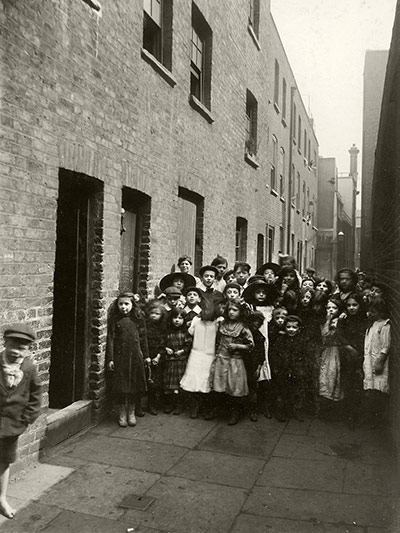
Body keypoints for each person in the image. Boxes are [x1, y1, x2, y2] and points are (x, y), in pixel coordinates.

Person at [0, 324, 42, 520]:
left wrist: (27, 418)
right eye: (13, 345)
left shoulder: (29, 367)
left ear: (29, 349)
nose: (17, 351)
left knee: (4, 462)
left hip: (12, 426)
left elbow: (36, 394)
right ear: (5, 342)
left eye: (23, 347)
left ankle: (1, 498)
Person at [106, 292, 149, 427]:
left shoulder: (138, 318)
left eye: (126, 304)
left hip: (135, 356)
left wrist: (146, 355)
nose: (123, 307)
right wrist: (111, 359)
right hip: (121, 357)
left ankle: (131, 412)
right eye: (121, 304)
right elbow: (111, 340)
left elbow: (143, 337)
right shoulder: (115, 320)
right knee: (121, 386)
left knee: (134, 385)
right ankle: (122, 413)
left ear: (132, 305)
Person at [209, 299, 254, 425]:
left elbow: (251, 346)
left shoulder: (243, 328)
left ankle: (235, 413)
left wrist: (237, 346)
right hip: (221, 359)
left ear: (240, 312)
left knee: (234, 388)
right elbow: (218, 341)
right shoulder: (222, 325)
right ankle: (217, 410)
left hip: (235, 361)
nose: (232, 312)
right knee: (219, 387)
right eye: (230, 309)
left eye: (235, 310)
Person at [180, 301, 220, 419]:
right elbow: (191, 332)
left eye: (209, 310)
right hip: (197, 353)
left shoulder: (217, 322)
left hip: (210, 354)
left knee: (207, 380)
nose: (206, 312)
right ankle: (195, 406)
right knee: (195, 380)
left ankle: (205, 407)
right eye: (203, 310)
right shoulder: (197, 320)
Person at [339, 293, 368, 427]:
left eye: (354, 305)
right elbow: (339, 335)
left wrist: (359, 352)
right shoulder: (344, 319)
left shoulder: (365, 319)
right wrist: (350, 348)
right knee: (348, 383)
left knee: (359, 384)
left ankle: (357, 414)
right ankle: (348, 414)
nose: (351, 308)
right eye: (349, 305)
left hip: (362, 355)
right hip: (348, 355)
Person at [363, 300, 391, 428]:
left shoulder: (385, 326)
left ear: (381, 312)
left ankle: (376, 420)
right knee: (371, 389)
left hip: (378, 362)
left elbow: (385, 347)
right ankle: (370, 419)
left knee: (378, 390)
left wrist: (379, 362)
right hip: (370, 360)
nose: (370, 314)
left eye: (373, 312)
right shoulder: (373, 324)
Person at [161, 307, 192, 415]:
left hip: (180, 361)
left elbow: (188, 345)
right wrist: (166, 349)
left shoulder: (185, 333)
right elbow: (162, 343)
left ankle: (180, 405)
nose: (177, 320)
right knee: (169, 385)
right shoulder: (167, 332)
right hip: (169, 362)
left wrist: (182, 351)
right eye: (175, 318)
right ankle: (169, 404)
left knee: (179, 385)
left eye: (180, 318)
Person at [318, 296, 345, 420]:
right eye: (328, 307)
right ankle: (325, 407)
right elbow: (323, 336)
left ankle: (333, 408)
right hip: (325, 351)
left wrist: (332, 320)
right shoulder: (324, 320)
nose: (331, 310)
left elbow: (330, 335)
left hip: (335, 351)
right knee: (324, 377)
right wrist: (327, 320)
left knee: (333, 375)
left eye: (334, 308)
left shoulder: (339, 321)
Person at [144, 300, 167, 415]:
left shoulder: (163, 328)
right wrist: (146, 356)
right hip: (146, 356)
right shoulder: (145, 327)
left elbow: (163, 344)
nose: (154, 316)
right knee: (145, 381)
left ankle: (152, 404)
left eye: (157, 314)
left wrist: (158, 357)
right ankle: (141, 405)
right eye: (152, 313)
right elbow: (143, 342)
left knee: (155, 382)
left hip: (157, 357)